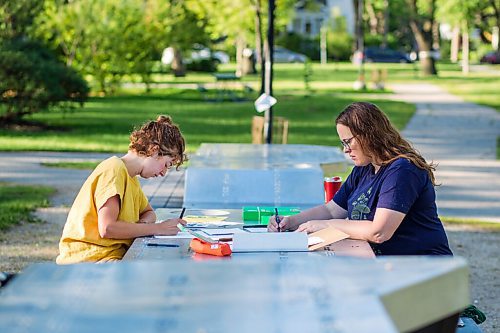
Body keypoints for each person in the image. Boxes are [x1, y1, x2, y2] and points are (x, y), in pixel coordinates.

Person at [268, 102, 452, 256]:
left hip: (422, 268)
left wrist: (325, 226)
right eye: (343, 143)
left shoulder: (402, 170)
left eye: (348, 142)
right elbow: (332, 210)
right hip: (384, 263)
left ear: (369, 135)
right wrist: (290, 222)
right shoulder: (364, 167)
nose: (345, 150)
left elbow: (379, 232)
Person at [56, 115, 188, 264]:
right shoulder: (114, 170)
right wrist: (157, 228)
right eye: (166, 164)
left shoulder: (131, 178)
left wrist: (140, 227)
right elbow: (108, 228)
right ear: (154, 150)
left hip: (110, 256)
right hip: (90, 260)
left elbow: (149, 213)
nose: (164, 172)